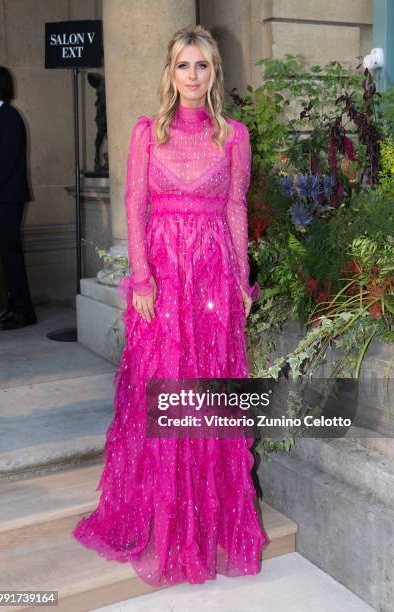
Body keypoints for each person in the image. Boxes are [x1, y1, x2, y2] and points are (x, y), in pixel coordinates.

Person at [73, 25, 270, 586]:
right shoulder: (146, 134)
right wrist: (141, 279)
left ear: (214, 74)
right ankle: (161, 519)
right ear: (170, 72)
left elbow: (234, 211)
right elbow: (134, 207)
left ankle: (204, 525)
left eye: (201, 66)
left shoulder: (234, 135)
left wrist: (242, 284)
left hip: (211, 279)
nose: (192, 76)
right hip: (162, 277)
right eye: (183, 65)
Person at [0, 66, 37, 330]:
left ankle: (24, 312)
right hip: (0, 197)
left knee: (11, 253)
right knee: (7, 254)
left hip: (8, 197)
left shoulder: (9, 116)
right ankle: (14, 306)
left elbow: (6, 162)